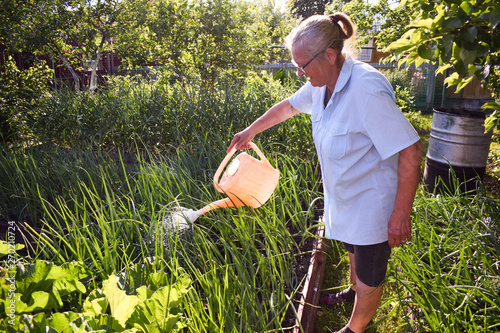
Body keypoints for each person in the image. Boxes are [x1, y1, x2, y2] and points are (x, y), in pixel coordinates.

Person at [227, 12, 423, 333]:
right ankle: (351, 290)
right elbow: (288, 106)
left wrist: (401, 213)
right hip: (345, 194)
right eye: (297, 66)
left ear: (329, 55)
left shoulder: (366, 89)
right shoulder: (320, 84)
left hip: (373, 200)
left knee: (371, 273)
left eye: (303, 65)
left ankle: (354, 328)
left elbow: (410, 149)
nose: (300, 73)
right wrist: (250, 131)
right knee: (352, 250)